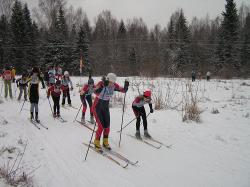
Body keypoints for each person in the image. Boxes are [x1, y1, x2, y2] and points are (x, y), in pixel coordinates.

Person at [93, 73, 129, 151]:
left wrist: (126, 85)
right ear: (107, 80)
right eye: (110, 82)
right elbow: (95, 91)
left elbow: (123, 90)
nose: (111, 84)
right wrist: (103, 86)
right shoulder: (101, 83)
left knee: (107, 127)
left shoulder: (114, 85)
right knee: (100, 127)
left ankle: (105, 142)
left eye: (113, 82)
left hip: (105, 107)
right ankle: (96, 143)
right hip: (97, 107)